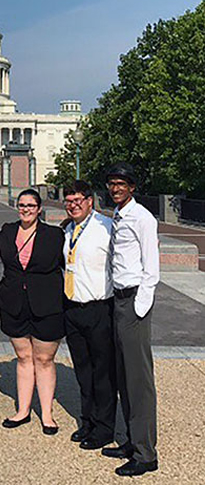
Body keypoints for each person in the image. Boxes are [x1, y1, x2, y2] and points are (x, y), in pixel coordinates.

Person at [102, 163, 159, 477]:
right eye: (112, 183)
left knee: (139, 382)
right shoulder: (118, 217)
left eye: (121, 183)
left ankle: (146, 453)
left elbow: (151, 268)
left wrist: (139, 306)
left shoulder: (142, 218)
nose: (115, 188)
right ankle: (131, 441)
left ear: (132, 187)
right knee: (124, 376)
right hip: (119, 299)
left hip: (134, 301)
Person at [0, 189, 64, 434]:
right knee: (24, 357)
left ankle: (46, 413)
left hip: (47, 303)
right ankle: (23, 410)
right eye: (22, 205)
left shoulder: (55, 235)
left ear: (39, 208)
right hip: (14, 302)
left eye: (31, 205)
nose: (26, 209)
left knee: (44, 359)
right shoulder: (7, 231)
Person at [62, 181, 116, 449]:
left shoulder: (106, 228)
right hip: (73, 308)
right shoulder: (67, 229)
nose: (73, 205)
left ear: (90, 201)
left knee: (103, 373)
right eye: (69, 201)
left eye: (78, 200)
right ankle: (88, 422)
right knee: (83, 372)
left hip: (98, 308)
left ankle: (105, 428)